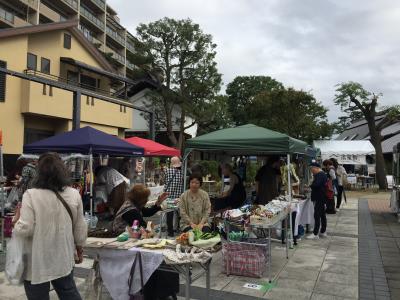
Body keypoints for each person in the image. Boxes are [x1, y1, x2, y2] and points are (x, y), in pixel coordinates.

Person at [13, 152, 87, 300]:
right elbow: (80, 226)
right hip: (63, 255)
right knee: (68, 292)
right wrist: (79, 248)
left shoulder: (31, 195)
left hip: (37, 258)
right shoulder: (73, 194)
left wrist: (16, 222)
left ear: (39, 172)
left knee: (38, 295)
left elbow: (25, 229)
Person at [307, 162, 328, 240]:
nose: (311, 171)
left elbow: (317, 185)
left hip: (319, 197)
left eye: (311, 169)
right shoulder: (322, 174)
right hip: (322, 197)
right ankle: (323, 231)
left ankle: (315, 233)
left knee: (317, 215)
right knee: (322, 215)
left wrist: (310, 185)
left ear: (315, 168)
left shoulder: (319, 175)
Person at [163, 156, 184, 236]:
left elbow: (164, 181)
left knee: (170, 214)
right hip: (178, 197)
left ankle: (170, 232)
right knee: (179, 214)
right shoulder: (182, 173)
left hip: (169, 196)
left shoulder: (167, 171)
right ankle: (178, 228)